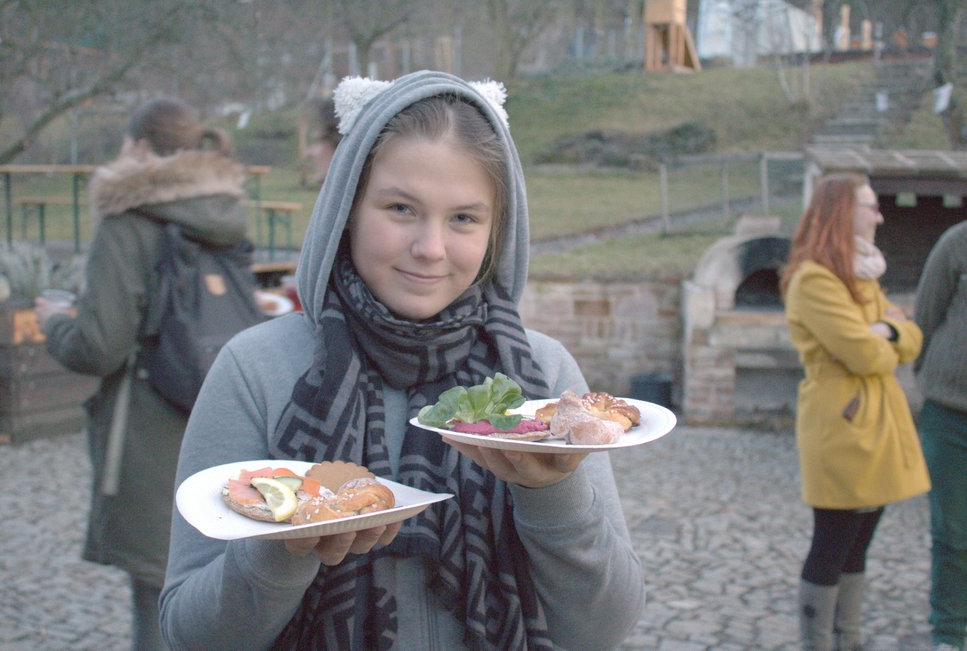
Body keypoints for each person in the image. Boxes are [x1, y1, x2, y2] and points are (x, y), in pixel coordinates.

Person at [159, 70, 645, 650]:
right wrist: (281, 552)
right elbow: (189, 634)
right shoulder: (256, 370)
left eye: (464, 218)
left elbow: (603, 629)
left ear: (497, 231)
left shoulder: (544, 380)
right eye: (400, 208)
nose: (431, 248)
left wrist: (551, 493)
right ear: (348, 209)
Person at [35, 97, 250, 651]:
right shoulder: (223, 213)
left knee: (156, 600)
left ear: (138, 149)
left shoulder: (128, 218)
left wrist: (54, 324)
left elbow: (98, 346)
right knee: (220, 592)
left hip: (150, 435)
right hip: (223, 419)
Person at [780, 173, 930, 651]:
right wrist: (890, 333)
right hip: (842, 428)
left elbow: (913, 335)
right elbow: (868, 355)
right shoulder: (815, 280)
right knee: (832, 542)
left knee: (859, 543)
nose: (880, 215)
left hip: (879, 423)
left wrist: (886, 333)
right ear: (843, 213)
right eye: (871, 206)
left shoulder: (862, 275)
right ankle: (819, 643)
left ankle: (852, 641)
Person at [913, 219, 967, 651]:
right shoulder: (958, 241)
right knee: (953, 532)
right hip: (951, 413)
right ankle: (949, 632)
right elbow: (926, 316)